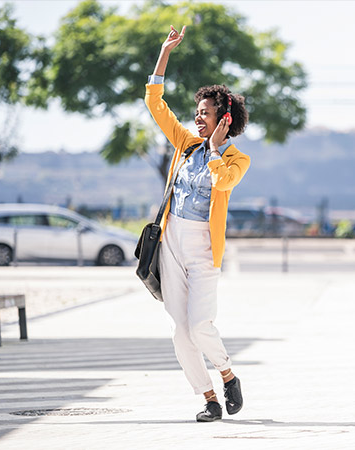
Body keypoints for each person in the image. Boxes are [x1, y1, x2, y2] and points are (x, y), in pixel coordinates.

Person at [144, 25, 250, 422]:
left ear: (223, 118)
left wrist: (215, 149)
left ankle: (228, 375)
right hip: (172, 244)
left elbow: (223, 181)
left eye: (204, 113)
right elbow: (156, 104)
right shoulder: (185, 144)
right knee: (180, 332)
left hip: (205, 251)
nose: (197, 118)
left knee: (201, 325)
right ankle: (208, 398)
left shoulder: (237, 159)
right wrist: (164, 52)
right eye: (197, 112)